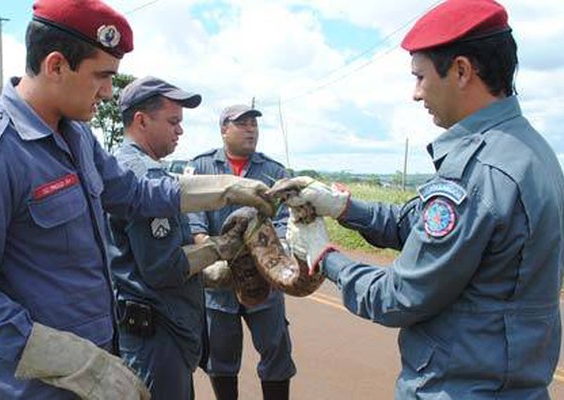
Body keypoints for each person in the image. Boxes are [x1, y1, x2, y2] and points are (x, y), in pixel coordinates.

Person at [0, 1, 274, 399]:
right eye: (102, 76)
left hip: (101, 361)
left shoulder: (76, 137)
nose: (110, 92)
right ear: (56, 66)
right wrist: (77, 364)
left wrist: (225, 189)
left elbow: (135, 193)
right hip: (40, 384)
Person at [270, 0, 564, 398]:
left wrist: (325, 256)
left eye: (421, 77)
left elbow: (399, 296)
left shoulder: (479, 172)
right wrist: (344, 208)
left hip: (459, 388)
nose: (415, 93)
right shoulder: (532, 152)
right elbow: (426, 227)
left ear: (461, 71)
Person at [108, 76, 251, 400]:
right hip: (156, 337)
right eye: (173, 122)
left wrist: (207, 275)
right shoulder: (145, 174)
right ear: (141, 121)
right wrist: (219, 250)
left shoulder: (129, 166)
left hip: (151, 331)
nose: (180, 130)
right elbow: (163, 267)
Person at [188, 105, 296, 400]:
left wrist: (275, 252)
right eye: (243, 124)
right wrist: (208, 251)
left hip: (265, 280)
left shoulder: (273, 171)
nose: (252, 129)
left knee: (276, 352)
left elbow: (286, 219)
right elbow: (193, 217)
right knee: (221, 359)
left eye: (255, 125)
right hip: (219, 282)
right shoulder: (201, 167)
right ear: (224, 129)